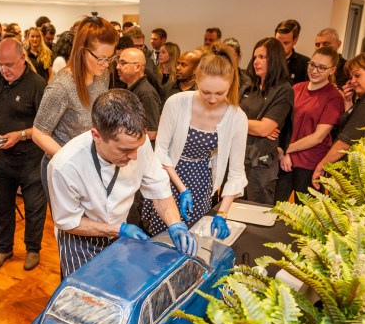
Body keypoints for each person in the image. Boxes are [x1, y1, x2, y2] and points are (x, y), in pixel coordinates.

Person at [48, 88, 197, 276]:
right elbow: (68, 221)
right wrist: (117, 229)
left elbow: (159, 190)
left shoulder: (136, 145)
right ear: (97, 136)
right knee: (86, 298)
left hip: (119, 233)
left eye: (138, 148)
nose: (134, 156)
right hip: (80, 241)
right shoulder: (64, 166)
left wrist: (175, 224)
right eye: (124, 150)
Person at [142, 44, 248, 237]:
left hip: (201, 181)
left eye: (220, 93)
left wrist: (222, 213)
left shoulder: (237, 117)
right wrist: (182, 189)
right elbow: (161, 151)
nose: (213, 99)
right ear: (196, 80)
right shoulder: (177, 103)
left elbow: (236, 173)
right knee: (162, 236)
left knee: (194, 239)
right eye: (206, 92)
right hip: (168, 177)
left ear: (230, 86)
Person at [0, 38, 48, 271]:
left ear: (22, 59)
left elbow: (45, 127)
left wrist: (21, 134)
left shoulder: (37, 84)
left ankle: (33, 250)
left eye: (9, 64)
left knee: (34, 208)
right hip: (2, 159)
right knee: (2, 207)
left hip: (31, 157)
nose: (4, 69)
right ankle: (3, 248)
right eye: (0, 64)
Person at [32, 14, 119, 196]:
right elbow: (39, 134)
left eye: (109, 58)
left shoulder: (101, 75)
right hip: (63, 167)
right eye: (101, 58)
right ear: (82, 51)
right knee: (72, 223)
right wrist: (72, 159)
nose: (106, 64)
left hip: (90, 163)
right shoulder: (62, 87)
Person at [312, 49, 365, 187]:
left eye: (357, 75)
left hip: (357, 179)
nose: (353, 81)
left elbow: (345, 142)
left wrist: (321, 166)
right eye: (351, 77)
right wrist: (348, 101)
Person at [276, 47, 344, 203]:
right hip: (286, 160)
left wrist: (287, 149)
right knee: (276, 209)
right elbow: (284, 125)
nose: (314, 70)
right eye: (312, 65)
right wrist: (284, 153)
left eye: (322, 67)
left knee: (305, 216)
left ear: (332, 70)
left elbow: (318, 137)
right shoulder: (296, 88)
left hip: (310, 164)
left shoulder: (333, 97)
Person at [240, 37, 294, 205]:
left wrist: (236, 123)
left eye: (262, 57)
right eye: (255, 57)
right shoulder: (249, 87)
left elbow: (264, 129)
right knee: (235, 209)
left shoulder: (283, 90)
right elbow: (227, 116)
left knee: (258, 212)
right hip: (240, 158)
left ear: (275, 59)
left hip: (261, 162)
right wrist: (252, 126)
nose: (256, 62)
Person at [116, 48, 162, 142]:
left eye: (123, 63)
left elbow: (151, 133)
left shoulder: (146, 93)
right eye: (118, 62)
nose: (117, 66)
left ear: (137, 67)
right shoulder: (130, 88)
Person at [275, 19, 310, 85]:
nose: (280, 47)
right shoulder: (262, 59)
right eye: (278, 42)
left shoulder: (305, 64)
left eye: (286, 43)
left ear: (295, 40)